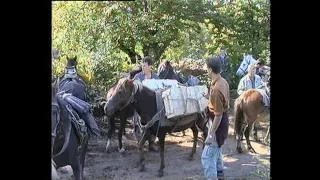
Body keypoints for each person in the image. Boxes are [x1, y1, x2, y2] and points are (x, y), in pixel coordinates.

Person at [201, 57, 230, 180]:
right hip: (222, 125)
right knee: (217, 154)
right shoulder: (222, 82)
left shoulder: (217, 89)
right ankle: (220, 176)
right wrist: (210, 96)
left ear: (210, 70)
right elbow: (221, 102)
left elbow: (218, 115)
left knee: (207, 157)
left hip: (217, 126)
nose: (206, 70)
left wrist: (211, 134)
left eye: (206, 68)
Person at [134, 56, 159, 152]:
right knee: (139, 124)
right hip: (140, 107)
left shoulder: (156, 77)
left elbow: (159, 91)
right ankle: (140, 143)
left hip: (152, 107)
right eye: (142, 65)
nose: (143, 67)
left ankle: (151, 143)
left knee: (154, 123)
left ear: (150, 67)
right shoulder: (137, 77)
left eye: (145, 65)